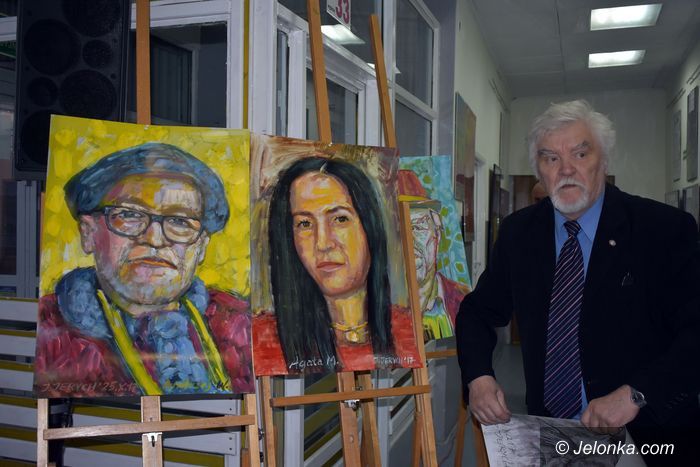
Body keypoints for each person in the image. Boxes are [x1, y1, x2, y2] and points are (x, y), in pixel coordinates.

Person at [457, 100, 700, 462]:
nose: (566, 169)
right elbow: (477, 312)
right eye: (550, 158)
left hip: (648, 436)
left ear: (604, 161)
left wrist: (637, 393)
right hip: (554, 438)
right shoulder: (518, 234)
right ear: (538, 170)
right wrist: (478, 377)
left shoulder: (662, 230)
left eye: (581, 154)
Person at [35, 143, 254, 397]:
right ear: (88, 233)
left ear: (202, 246)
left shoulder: (237, 323)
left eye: (180, 221)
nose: (154, 239)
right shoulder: (50, 330)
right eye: (130, 214)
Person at [253, 157, 421, 374]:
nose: (323, 243)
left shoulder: (410, 330)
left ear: (369, 227)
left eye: (340, 219)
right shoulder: (261, 340)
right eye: (305, 223)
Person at [398, 169, 469, 340]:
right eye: (398, 231)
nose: (409, 242)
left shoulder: (462, 300)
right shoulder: (371, 309)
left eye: (417, 227)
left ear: (437, 231)